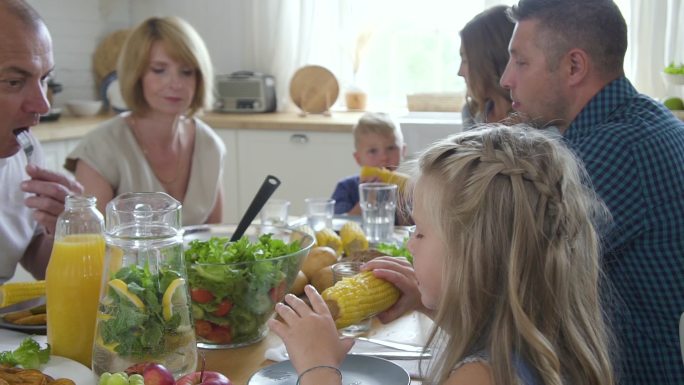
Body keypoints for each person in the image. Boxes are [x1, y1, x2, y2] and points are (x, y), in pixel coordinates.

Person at [271, 126, 615, 385]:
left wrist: (318, 367)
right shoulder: (544, 336)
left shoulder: (480, 376)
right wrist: (431, 305)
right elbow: (489, 334)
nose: (409, 245)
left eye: (419, 231)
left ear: (472, 256)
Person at [499, 1, 684, 383]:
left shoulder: (616, 150)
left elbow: (507, 271)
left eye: (520, 62)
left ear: (574, 66)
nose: (506, 79)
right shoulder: (640, 119)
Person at [65, 16, 225, 225]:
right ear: (136, 75)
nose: (175, 83)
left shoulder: (209, 145)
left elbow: (214, 240)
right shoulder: (100, 148)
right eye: (159, 70)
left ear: (199, 79)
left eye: (186, 72)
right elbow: (91, 245)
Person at [0, 0, 83, 283]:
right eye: (13, 82)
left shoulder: (28, 153)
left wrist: (68, 230)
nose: (43, 104)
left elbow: (35, 255)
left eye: (45, 78)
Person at [330, 112, 406, 215]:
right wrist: (367, 200)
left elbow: (413, 228)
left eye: (391, 148)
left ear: (403, 151)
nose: (384, 157)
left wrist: (402, 203)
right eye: (373, 151)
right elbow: (339, 225)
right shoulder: (346, 187)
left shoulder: (411, 190)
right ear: (358, 159)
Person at [458, 5, 514, 129]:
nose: (459, 72)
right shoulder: (471, 113)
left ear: (489, 62)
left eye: (465, 60)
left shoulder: (534, 119)